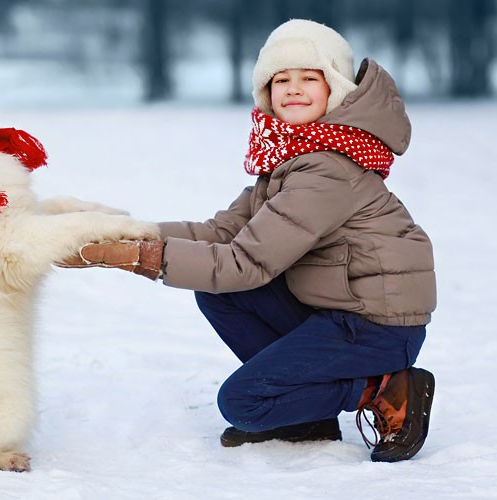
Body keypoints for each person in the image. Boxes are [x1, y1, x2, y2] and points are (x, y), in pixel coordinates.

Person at [57, 19, 436, 463]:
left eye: (308, 78)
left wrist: (142, 258)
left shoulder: (327, 170)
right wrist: (124, 233)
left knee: (245, 402)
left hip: (377, 327)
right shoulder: (291, 158)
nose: (292, 89)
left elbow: (244, 263)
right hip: (336, 309)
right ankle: (304, 418)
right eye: (281, 80)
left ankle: (384, 388)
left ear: (335, 89)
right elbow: (221, 233)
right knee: (222, 296)